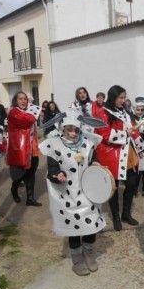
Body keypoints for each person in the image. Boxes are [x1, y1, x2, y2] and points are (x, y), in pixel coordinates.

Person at [39, 109, 106, 276]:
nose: (72, 133)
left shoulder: (88, 143)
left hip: (88, 192)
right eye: (69, 129)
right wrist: (57, 175)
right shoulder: (54, 145)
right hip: (67, 195)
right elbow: (52, 169)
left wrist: (96, 164)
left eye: (76, 129)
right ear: (63, 128)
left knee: (90, 225)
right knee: (74, 228)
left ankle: (89, 253)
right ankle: (77, 259)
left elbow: (93, 160)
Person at [92, 85, 142, 230]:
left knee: (132, 183)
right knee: (113, 187)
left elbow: (133, 128)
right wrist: (126, 133)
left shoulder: (125, 112)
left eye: (124, 97)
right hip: (111, 154)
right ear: (113, 97)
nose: (123, 100)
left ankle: (125, 214)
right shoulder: (103, 113)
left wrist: (141, 145)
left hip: (128, 153)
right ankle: (115, 217)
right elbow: (104, 134)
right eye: (121, 97)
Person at [7, 91, 42, 206]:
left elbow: (33, 125)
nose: (23, 101)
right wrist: (33, 111)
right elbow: (27, 121)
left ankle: (30, 199)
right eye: (20, 99)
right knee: (20, 174)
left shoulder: (27, 111)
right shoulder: (13, 112)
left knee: (31, 173)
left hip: (32, 147)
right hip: (21, 149)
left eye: (25, 99)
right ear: (15, 101)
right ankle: (14, 188)